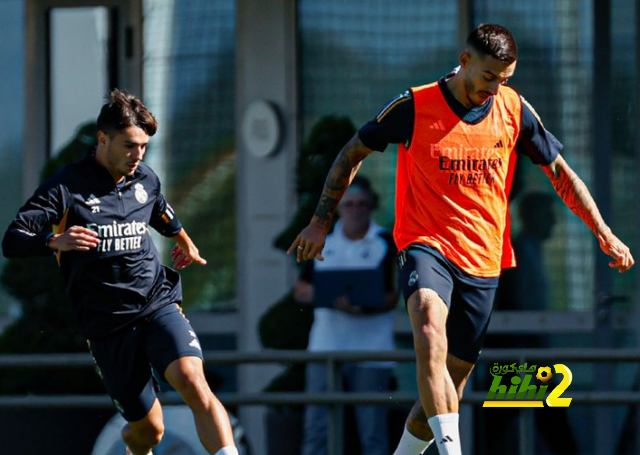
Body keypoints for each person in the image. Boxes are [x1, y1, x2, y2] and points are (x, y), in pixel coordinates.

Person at [287, 23, 634, 455]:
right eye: (488, 77)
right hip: (425, 244)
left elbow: (561, 174)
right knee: (430, 332)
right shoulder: (416, 106)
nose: (495, 88)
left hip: (483, 260)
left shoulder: (514, 109)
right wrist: (320, 221)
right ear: (465, 61)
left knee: (449, 385)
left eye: (504, 79)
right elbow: (351, 153)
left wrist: (602, 230)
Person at [2, 89, 238, 455]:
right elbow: (13, 240)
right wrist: (53, 241)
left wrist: (185, 240)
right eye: (129, 145)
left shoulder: (144, 178)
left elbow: (160, 210)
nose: (138, 155)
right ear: (102, 139)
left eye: (143, 146)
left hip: (156, 304)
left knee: (193, 381)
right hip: (108, 327)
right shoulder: (66, 188)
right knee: (148, 431)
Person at [293, 176, 398, 455]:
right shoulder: (321, 240)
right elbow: (300, 290)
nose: (356, 209)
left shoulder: (386, 241)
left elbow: (393, 295)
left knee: (373, 433)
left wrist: (364, 304)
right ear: (339, 208)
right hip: (326, 348)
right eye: (349, 204)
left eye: (362, 204)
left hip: (373, 352)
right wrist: (329, 296)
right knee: (317, 430)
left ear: (371, 206)